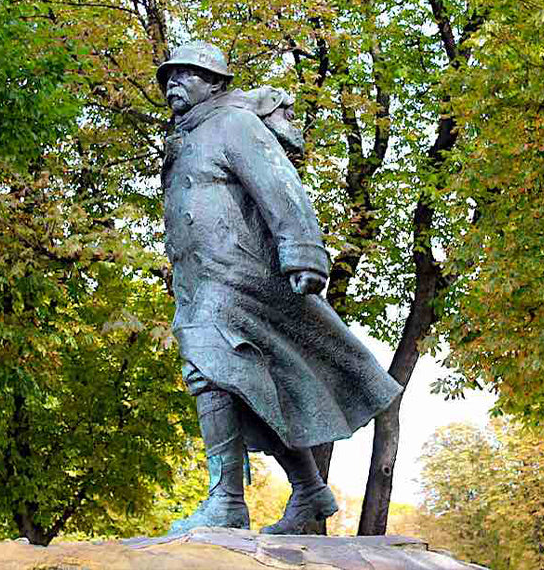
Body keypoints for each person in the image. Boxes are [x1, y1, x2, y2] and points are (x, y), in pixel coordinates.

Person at [158, 41, 402, 535]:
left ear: (215, 83)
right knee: (246, 385)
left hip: (241, 277)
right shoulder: (186, 137)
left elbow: (279, 186)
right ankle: (310, 490)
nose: (173, 84)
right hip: (202, 280)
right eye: (169, 77)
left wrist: (304, 251)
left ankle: (226, 500)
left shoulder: (233, 124)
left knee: (206, 367)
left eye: (187, 74)